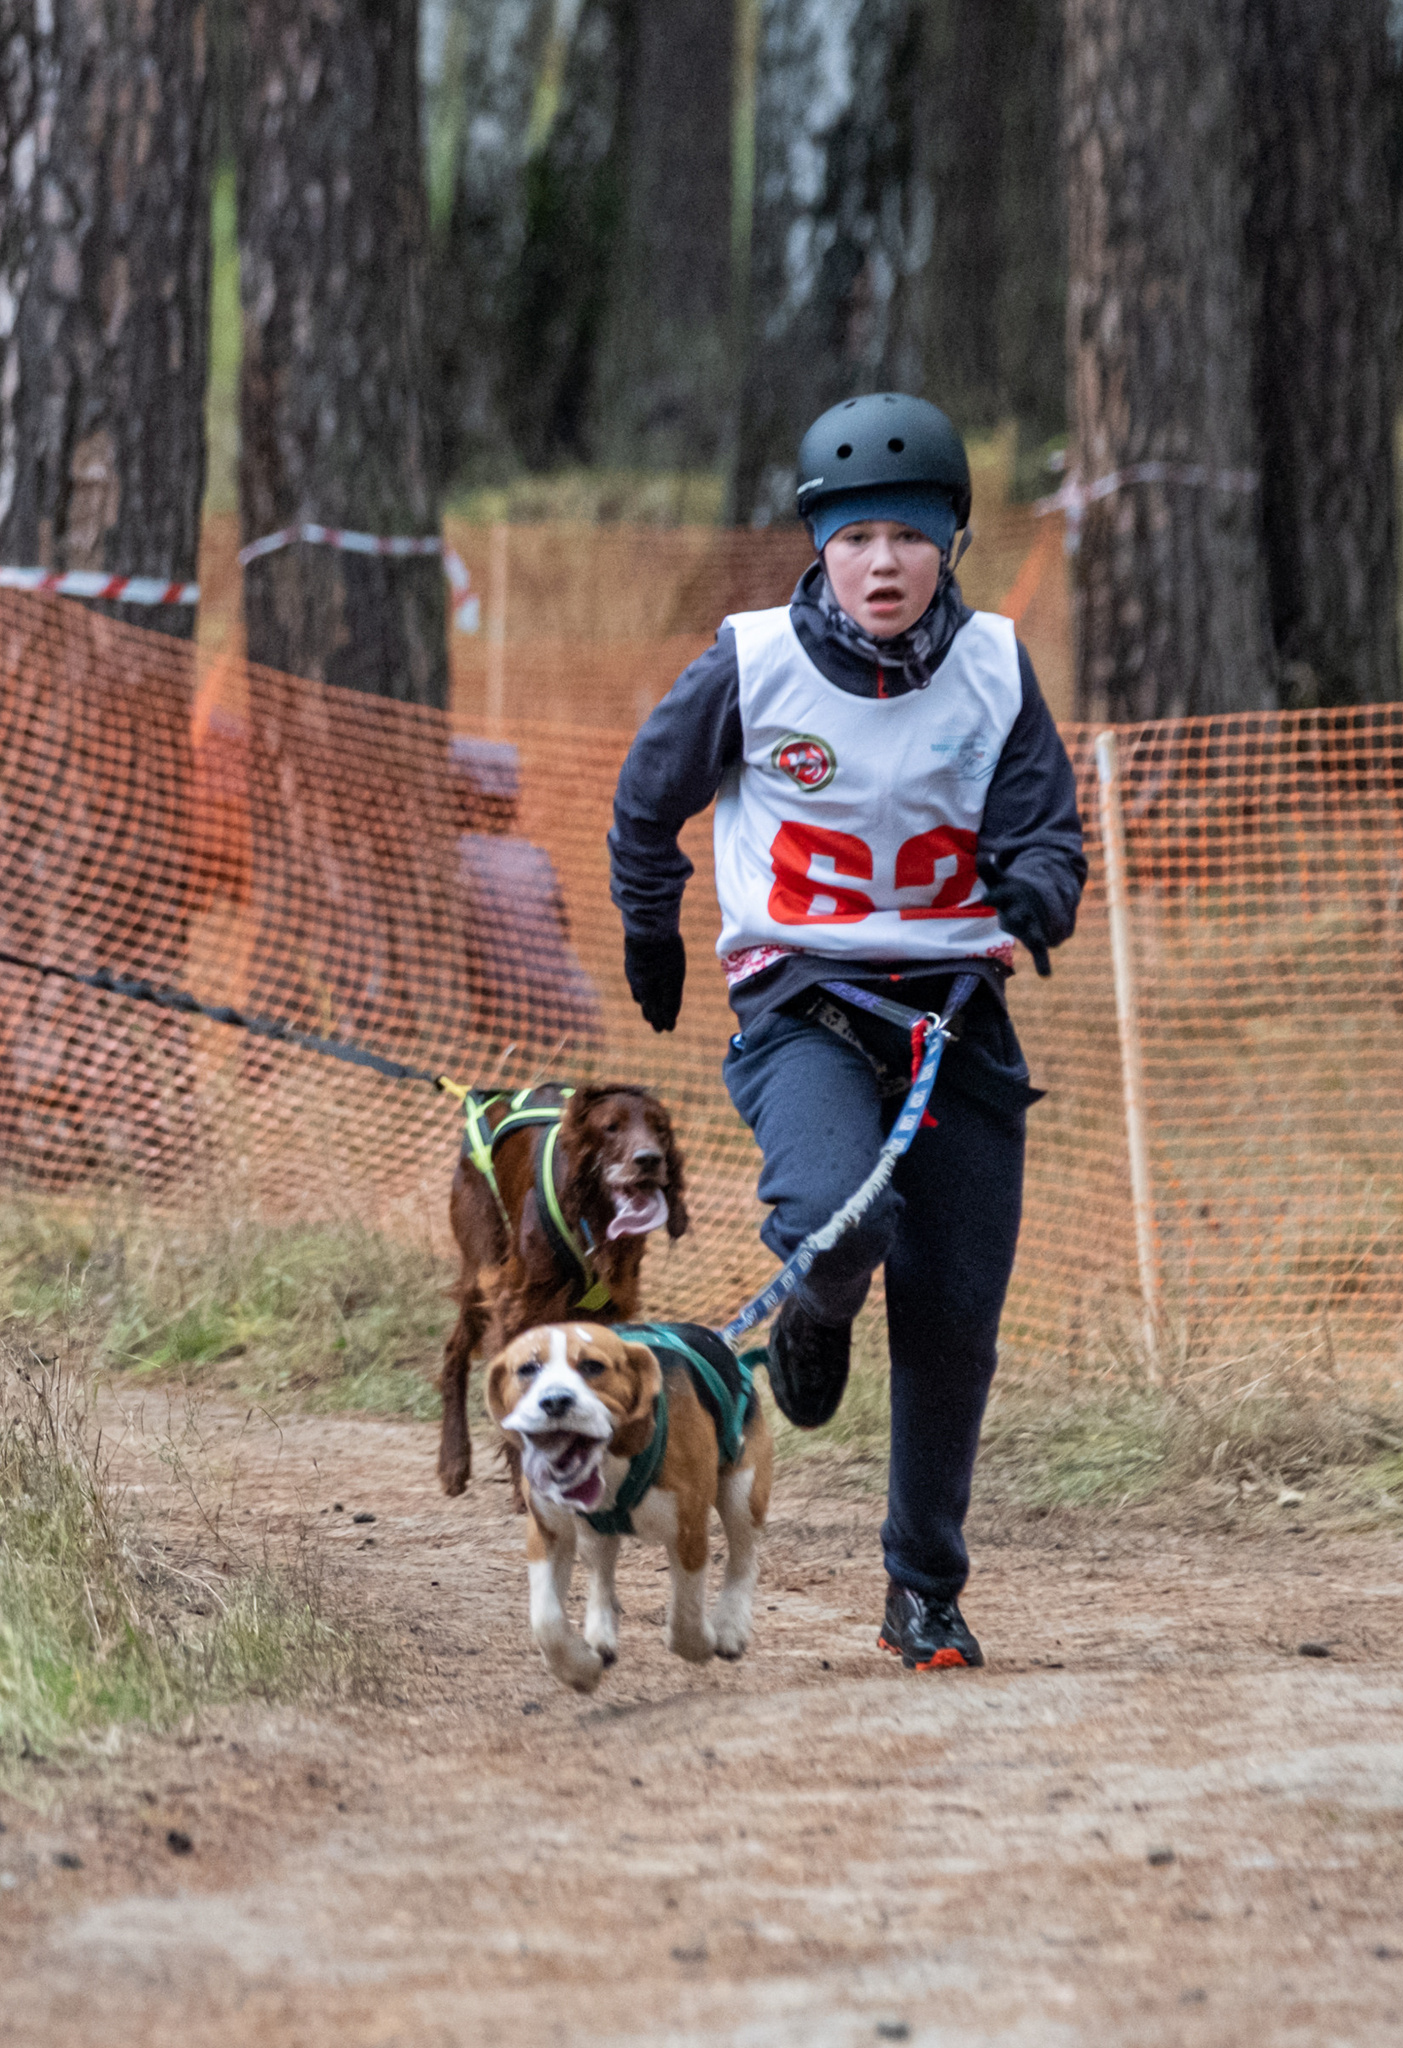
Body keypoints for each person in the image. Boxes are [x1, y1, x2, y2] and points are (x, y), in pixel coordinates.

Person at [609, 393, 1086, 1671]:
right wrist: (650, 933)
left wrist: (1037, 890)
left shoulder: (994, 667)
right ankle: (815, 1310)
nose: (885, 562)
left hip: (955, 1019)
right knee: (837, 1219)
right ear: (819, 545)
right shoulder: (752, 660)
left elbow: (1046, 827)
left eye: (912, 537)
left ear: (951, 547)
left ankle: (921, 1590)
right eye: (859, 535)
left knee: (953, 1316)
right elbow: (645, 800)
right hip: (805, 1004)